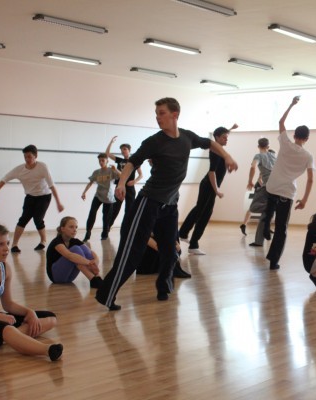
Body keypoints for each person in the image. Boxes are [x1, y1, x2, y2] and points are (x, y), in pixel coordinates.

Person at [95, 97, 237, 310]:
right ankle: (106, 294)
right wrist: (122, 182)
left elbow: (209, 143)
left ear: (174, 115)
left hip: (170, 205)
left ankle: (163, 286)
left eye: (161, 113)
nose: (157, 117)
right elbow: (132, 162)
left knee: (171, 252)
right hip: (149, 203)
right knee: (132, 252)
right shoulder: (154, 142)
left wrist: (227, 156)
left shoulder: (187, 137)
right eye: (156, 114)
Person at [0, 223, 63, 361]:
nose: (6, 249)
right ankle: (47, 350)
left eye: (7, 243)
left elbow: (8, 304)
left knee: (50, 319)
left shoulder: (5, 268)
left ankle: (6, 338)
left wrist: (30, 312)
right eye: (0, 244)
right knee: (7, 329)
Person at [262, 96, 315, 270]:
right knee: (281, 229)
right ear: (307, 138)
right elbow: (310, 179)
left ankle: (265, 225)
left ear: (294, 135)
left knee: (269, 210)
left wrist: (291, 104)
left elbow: (281, 121)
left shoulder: (285, 143)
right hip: (286, 193)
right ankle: (273, 261)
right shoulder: (308, 156)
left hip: (272, 187)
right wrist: (304, 199)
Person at [0, 145, 65, 253]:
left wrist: (58, 203)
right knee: (23, 219)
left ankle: (43, 241)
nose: (27, 159)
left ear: (35, 156)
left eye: (29, 156)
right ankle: (14, 245)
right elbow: (4, 179)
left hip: (44, 196)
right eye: (25, 157)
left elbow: (51, 185)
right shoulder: (19, 169)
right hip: (30, 196)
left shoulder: (42, 167)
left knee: (37, 219)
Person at [179, 124, 237, 255]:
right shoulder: (215, 152)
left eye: (227, 137)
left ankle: (185, 235)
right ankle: (190, 241)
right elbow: (212, 173)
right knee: (203, 213)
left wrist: (231, 129)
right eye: (224, 137)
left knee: (201, 211)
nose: (226, 139)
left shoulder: (220, 150)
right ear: (216, 137)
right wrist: (216, 190)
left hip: (209, 186)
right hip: (209, 185)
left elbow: (221, 135)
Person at [46, 216, 103, 288]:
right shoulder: (57, 242)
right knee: (75, 250)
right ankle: (92, 279)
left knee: (84, 250)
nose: (74, 230)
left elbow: (90, 252)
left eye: (76, 227)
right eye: (71, 227)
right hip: (56, 277)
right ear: (62, 229)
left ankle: (97, 277)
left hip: (70, 278)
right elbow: (69, 256)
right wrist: (89, 262)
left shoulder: (75, 241)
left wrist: (95, 260)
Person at [105, 136, 143, 228]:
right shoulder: (120, 160)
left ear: (129, 150)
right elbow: (107, 153)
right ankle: (107, 228)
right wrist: (111, 142)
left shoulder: (134, 161)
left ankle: (127, 228)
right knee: (115, 209)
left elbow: (141, 175)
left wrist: (135, 181)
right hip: (120, 187)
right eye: (121, 150)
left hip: (130, 188)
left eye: (125, 149)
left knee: (129, 210)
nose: (123, 151)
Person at [81, 153, 120, 242]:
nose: (101, 162)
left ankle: (105, 234)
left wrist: (116, 169)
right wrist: (84, 192)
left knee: (106, 217)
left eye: (103, 160)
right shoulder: (96, 172)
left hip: (108, 197)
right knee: (92, 213)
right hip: (98, 196)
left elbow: (122, 176)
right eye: (99, 161)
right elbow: (90, 183)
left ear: (107, 161)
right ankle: (88, 233)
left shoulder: (111, 171)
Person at [247, 140, 277, 247]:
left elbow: (253, 167)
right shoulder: (274, 155)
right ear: (268, 146)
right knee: (265, 215)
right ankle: (259, 241)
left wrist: (250, 181)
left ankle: (273, 207)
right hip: (277, 186)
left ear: (258, 146)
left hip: (268, 187)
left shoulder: (258, 156)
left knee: (253, 207)